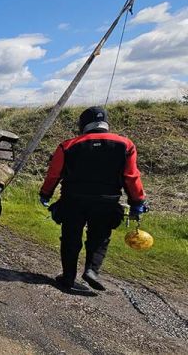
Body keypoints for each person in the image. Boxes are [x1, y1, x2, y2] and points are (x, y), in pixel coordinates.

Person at [40, 106, 147, 292]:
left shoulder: (67, 145)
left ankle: (68, 277)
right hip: (107, 201)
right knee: (100, 237)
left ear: (83, 124)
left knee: (70, 238)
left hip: (73, 200)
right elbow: (131, 176)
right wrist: (137, 202)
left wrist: (46, 194)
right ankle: (91, 270)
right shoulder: (126, 145)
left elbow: (54, 174)